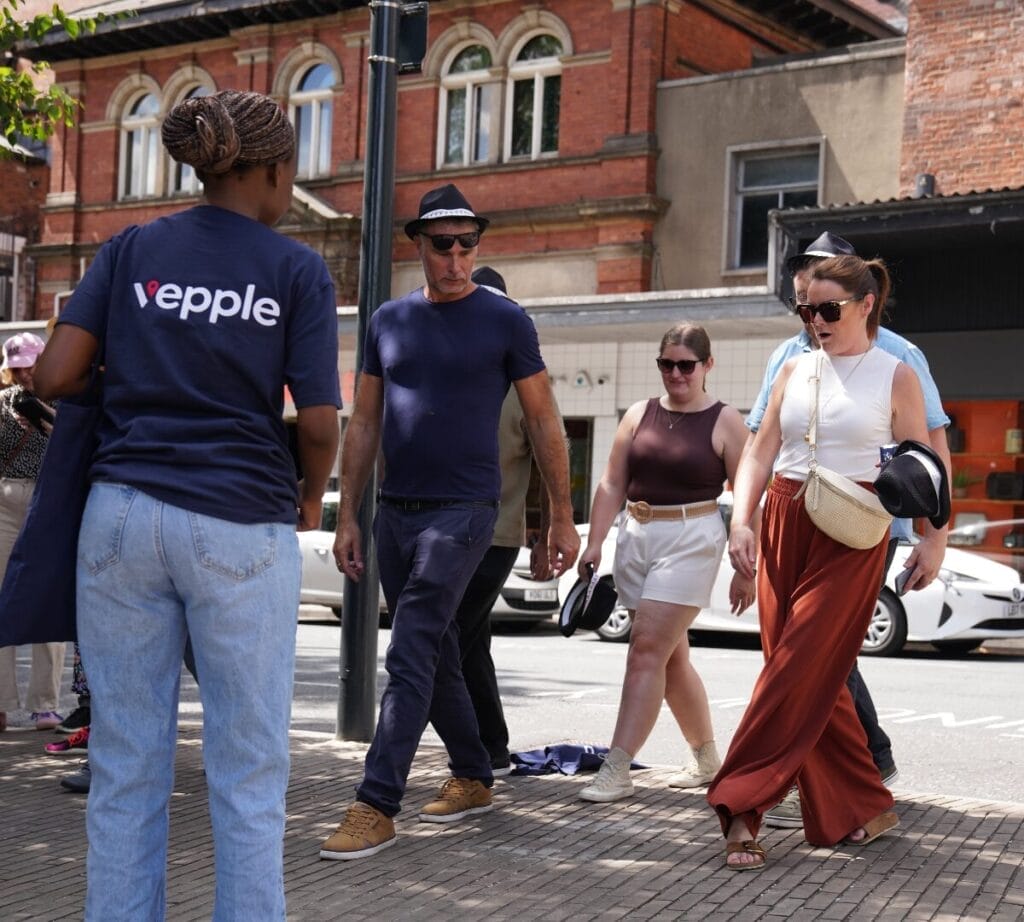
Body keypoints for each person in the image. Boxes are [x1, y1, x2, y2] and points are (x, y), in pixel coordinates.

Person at [33, 89, 341, 919]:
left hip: (121, 518)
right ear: (273, 171)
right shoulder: (294, 269)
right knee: (247, 774)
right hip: (239, 519)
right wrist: (309, 498)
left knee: (126, 769)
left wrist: (136, 376)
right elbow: (318, 421)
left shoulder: (131, 248)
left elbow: (52, 376)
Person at [321, 184, 578, 861]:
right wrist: (348, 513)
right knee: (434, 653)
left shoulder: (506, 321)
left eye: (469, 244)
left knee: (408, 649)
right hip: (394, 514)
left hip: (465, 512)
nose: (458, 257)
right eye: (444, 245)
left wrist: (560, 516)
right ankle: (473, 771)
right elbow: (366, 420)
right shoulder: (387, 321)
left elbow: (547, 419)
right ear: (420, 247)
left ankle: (376, 803)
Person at [709, 253, 938, 870]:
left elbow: (921, 464)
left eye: (828, 309)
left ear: (866, 306)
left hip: (853, 531)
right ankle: (861, 803)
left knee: (795, 666)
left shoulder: (897, 374)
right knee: (812, 674)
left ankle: (740, 804)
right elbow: (760, 451)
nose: (815, 320)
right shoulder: (793, 367)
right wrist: (742, 519)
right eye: (806, 309)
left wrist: (931, 539)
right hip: (785, 518)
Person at [575, 323, 753, 804]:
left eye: (686, 365)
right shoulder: (638, 414)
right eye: (666, 364)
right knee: (671, 658)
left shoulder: (725, 420)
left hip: (692, 536)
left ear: (707, 366)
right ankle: (707, 757)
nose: (676, 373)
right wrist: (594, 544)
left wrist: (746, 567)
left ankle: (617, 767)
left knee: (646, 646)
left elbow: (749, 496)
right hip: (636, 534)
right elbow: (612, 483)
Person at [453, 266, 563, 776]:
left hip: (497, 535)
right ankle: (489, 747)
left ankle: (477, 751)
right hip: (453, 528)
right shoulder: (454, 371)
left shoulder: (524, 382)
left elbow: (545, 459)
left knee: (449, 635)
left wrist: (543, 534)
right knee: (470, 637)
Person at [0, 332, 66, 733]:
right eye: (17, 365)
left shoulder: (62, 401)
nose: (24, 372)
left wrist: (43, 415)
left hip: (47, 504)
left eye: (30, 363)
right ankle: (2, 704)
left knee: (47, 601)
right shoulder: (2, 404)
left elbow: (74, 447)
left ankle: (45, 704)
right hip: (5, 502)